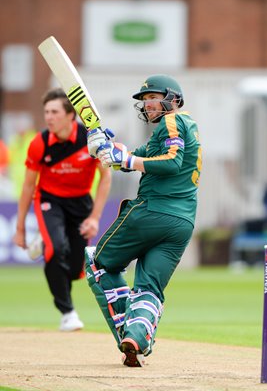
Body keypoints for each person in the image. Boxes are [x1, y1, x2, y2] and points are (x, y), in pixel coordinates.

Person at [85, 74, 202, 366]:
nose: (149, 105)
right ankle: (136, 336)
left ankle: (125, 328)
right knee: (149, 287)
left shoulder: (173, 121)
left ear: (173, 99)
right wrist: (104, 147)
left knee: (99, 264)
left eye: (153, 98)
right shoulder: (177, 128)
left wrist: (126, 160)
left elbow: (172, 162)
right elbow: (130, 157)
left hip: (152, 212)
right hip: (182, 223)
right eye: (145, 100)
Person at [13, 88, 112, 331]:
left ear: (70, 116)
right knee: (56, 250)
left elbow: (106, 177)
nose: (49, 117)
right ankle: (67, 312)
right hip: (50, 201)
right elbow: (28, 186)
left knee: (75, 266)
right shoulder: (41, 143)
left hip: (80, 204)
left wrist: (95, 217)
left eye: (54, 112)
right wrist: (20, 228)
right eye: (46, 112)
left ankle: (50, 253)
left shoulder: (90, 140)